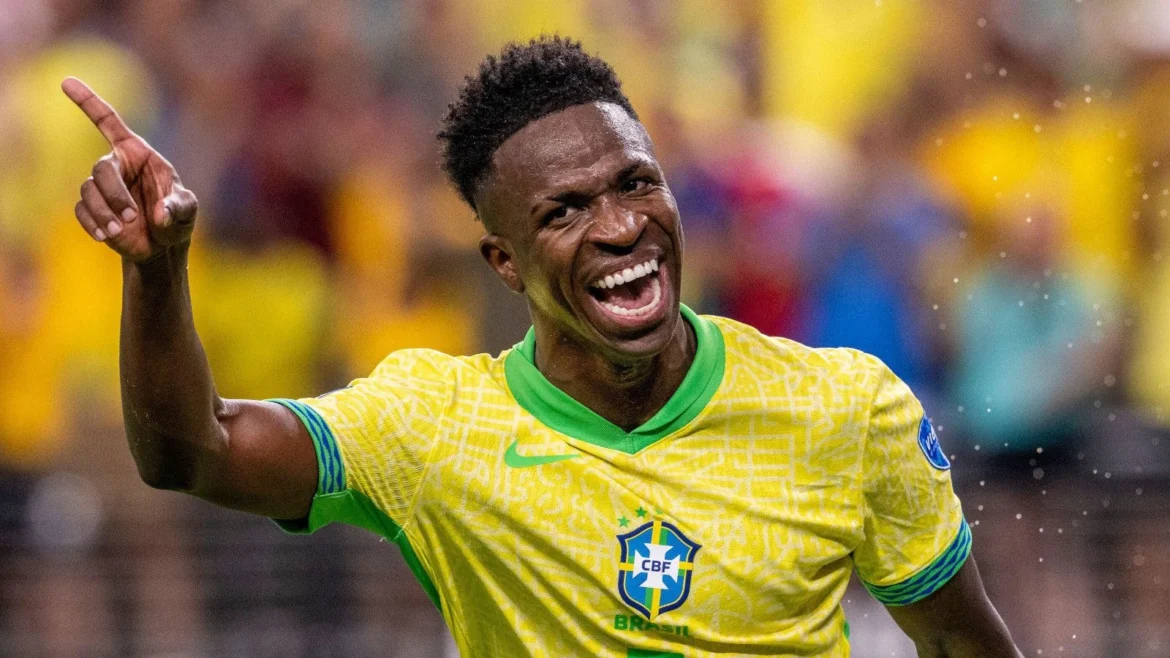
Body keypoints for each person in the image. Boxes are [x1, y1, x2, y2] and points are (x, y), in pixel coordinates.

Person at [62, 36, 1020, 657]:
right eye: (564, 212)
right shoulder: (433, 428)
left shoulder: (842, 406)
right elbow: (194, 453)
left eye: (637, 184)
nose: (621, 228)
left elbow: (962, 646)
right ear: (505, 263)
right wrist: (158, 271)